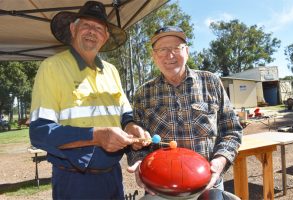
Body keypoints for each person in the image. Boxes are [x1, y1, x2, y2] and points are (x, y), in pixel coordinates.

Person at [29, 1, 150, 199]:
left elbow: (125, 115)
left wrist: (131, 128)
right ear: (73, 28)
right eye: (86, 25)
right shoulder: (52, 67)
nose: (92, 31)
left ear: (105, 37)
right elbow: (40, 133)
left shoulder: (111, 71)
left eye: (99, 28)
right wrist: (97, 136)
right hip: (74, 181)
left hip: (113, 176)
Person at [127, 26, 243, 199]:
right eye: (162, 49)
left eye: (176, 48)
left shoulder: (211, 82)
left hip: (208, 186)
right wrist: (139, 161)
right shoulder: (143, 93)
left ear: (187, 51)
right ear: (154, 56)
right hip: (160, 190)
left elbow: (231, 130)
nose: (169, 55)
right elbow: (137, 142)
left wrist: (219, 161)